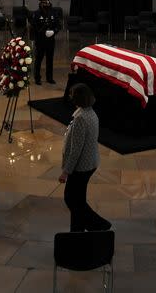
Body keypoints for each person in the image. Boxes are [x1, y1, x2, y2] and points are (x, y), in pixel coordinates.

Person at [59, 83, 111, 232]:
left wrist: (66, 171)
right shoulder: (89, 112)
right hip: (89, 163)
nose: (70, 98)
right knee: (78, 200)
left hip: (81, 167)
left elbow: (76, 149)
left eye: (72, 95)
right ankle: (77, 231)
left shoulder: (81, 118)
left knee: (71, 199)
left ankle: (99, 225)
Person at [31, 0, 59, 85]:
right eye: (44, 3)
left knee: (50, 60)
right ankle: (37, 78)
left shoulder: (54, 12)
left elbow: (58, 25)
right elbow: (35, 27)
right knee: (38, 59)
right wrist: (44, 32)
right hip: (40, 40)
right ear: (41, 4)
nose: (47, 4)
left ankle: (49, 77)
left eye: (48, 3)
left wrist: (54, 31)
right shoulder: (36, 14)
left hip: (51, 40)